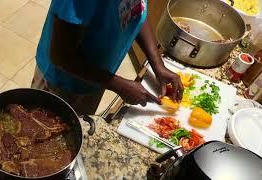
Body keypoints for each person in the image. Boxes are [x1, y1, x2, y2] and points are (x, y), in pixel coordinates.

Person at [32, 0, 183, 115]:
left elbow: (137, 9)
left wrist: (157, 64)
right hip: (60, 83)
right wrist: (119, 85)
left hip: (97, 77)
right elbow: (61, 56)